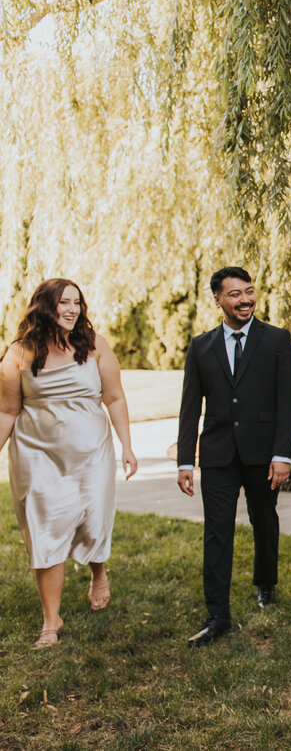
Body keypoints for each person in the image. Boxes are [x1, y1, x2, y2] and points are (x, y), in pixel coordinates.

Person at [0, 278, 137, 649]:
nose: (73, 309)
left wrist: (127, 445)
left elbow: (115, 397)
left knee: (93, 520)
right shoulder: (18, 354)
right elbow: (8, 410)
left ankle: (98, 572)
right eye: (64, 302)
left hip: (91, 451)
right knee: (46, 530)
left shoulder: (93, 345)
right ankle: (50, 622)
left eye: (77, 302)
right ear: (46, 307)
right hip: (36, 453)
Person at [177, 267, 291, 648]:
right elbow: (189, 407)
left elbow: (287, 401)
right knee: (217, 532)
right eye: (235, 294)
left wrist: (283, 454)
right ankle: (218, 615)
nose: (245, 299)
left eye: (249, 292)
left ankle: (266, 584)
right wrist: (185, 460)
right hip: (217, 454)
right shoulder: (201, 346)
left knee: (264, 520)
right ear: (217, 300)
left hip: (264, 453)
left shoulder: (278, 340)